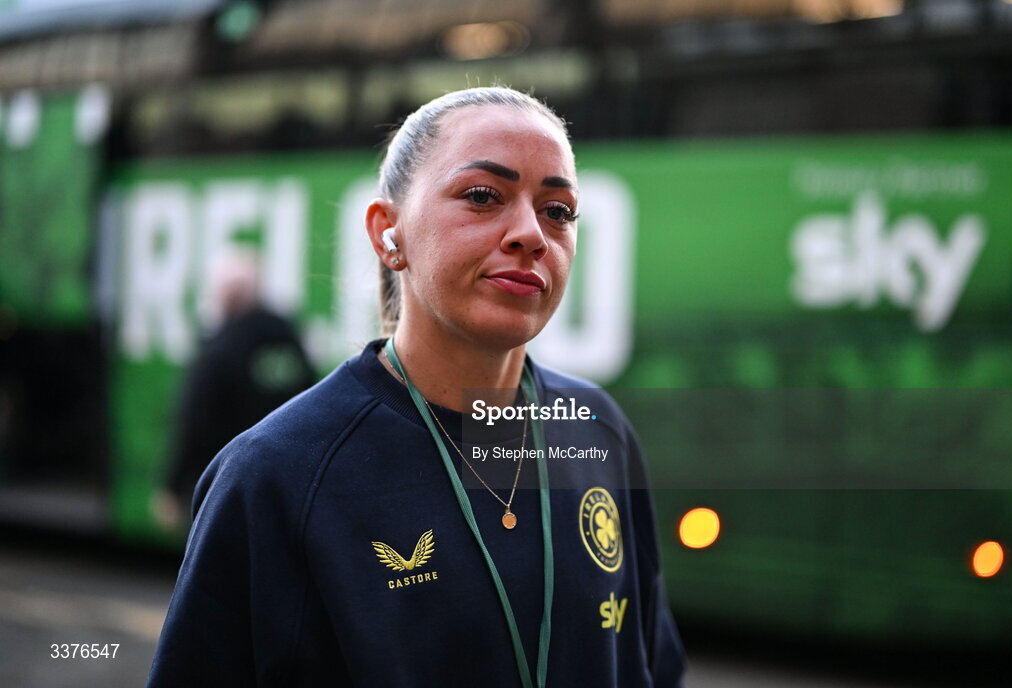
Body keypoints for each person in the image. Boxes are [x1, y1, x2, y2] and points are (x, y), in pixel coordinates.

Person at [148, 86, 686, 687]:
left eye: (558, 210)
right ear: (388, 233)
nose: (532, 233)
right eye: (483, 196)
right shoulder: (277, 475)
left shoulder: (598, 430)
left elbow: (651, 667)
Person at [150, 248, 317, 531]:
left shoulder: (221, 348)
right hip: (291, 484)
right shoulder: (287, 335)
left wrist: (171, 486)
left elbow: (194, 421)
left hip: (230, 487)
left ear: (225, 296)